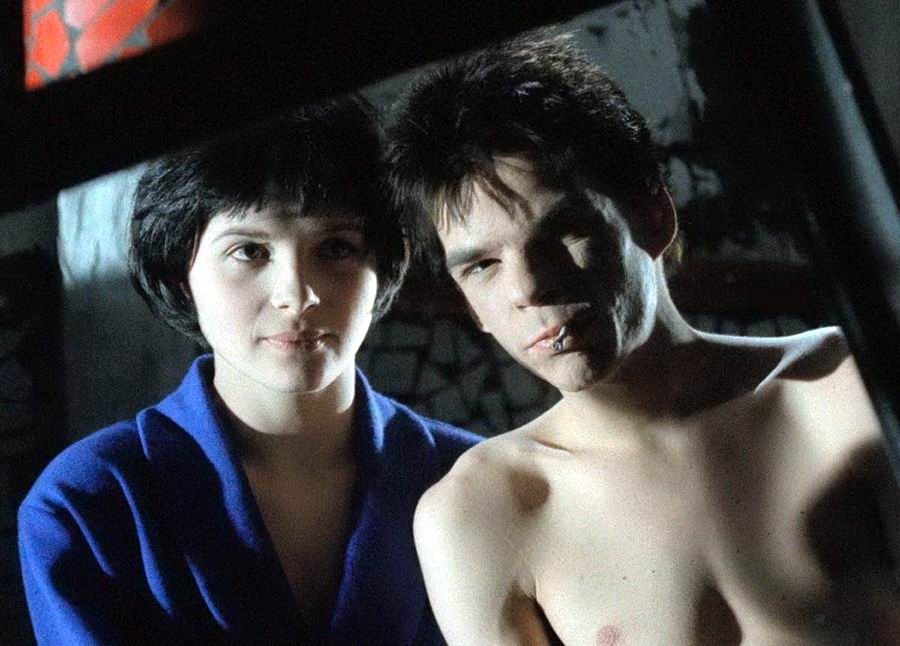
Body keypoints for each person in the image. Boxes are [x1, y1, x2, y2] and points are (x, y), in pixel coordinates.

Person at [387, 33, 900, 644]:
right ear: (469, 303)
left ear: (654, 218)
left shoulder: (839, 387)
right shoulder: (483, 511)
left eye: (561, 231)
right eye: (482, 266)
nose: (528, 288)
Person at [18, 96, 481, 645]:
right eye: (249, 252)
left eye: (336, 248)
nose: (297, 295)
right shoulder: (89, 501)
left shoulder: (476, 482)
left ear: (381, 264)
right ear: (182, 272)